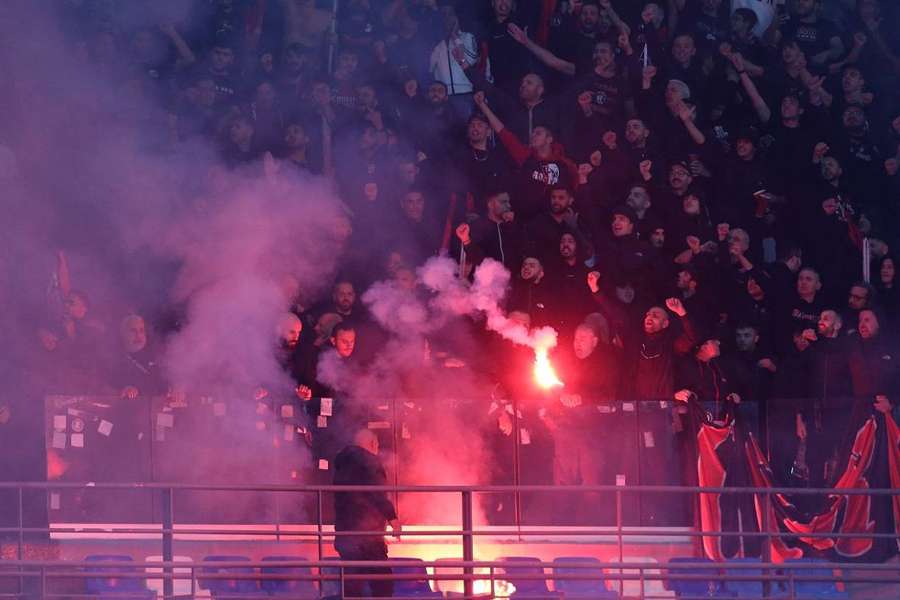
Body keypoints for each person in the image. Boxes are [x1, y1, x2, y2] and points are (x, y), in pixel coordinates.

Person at [333, 428, 401, 599]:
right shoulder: (370, 463)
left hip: (345, 533)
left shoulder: (341, 464)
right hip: (367, 536)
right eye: (377, 444)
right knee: (383, 583)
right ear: (372, 444)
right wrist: (392, 518)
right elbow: (377, 493)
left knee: (352, 583)